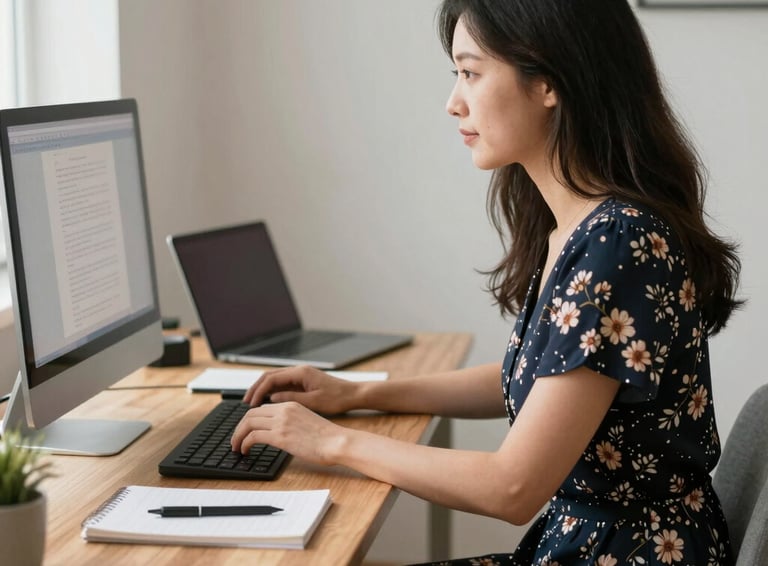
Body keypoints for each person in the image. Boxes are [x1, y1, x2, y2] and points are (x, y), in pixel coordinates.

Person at [231, 1, 742, 564]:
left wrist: (331, 442)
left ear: (548, 81)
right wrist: (357, 395)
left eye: (470, 73)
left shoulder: (615, 243)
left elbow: (512, 487)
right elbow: (534, 378)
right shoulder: (580, 228)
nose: (454, 103)